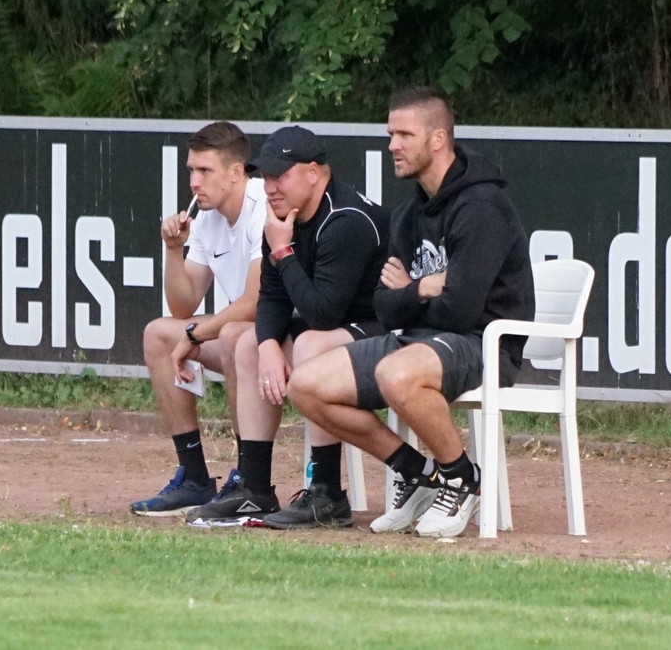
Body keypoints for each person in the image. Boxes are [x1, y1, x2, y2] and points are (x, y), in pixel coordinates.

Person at [288, 86, 535, 538]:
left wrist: (409, 293)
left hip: (482, 343)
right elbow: (383, 306)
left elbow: (462, 311)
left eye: (404, 135)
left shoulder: (482, 207)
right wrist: (423, 287)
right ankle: (418, 472)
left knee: (395, 373)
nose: (392, 145)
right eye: (390, 134)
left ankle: (462, 477)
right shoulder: (407, 214)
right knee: (305, 385)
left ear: (438, 140)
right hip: (416, 339)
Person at [184, 125, 389, 529]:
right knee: (246, 342)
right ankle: (255, 488)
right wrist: (267, 347)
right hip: (336, 328)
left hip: (386, 331)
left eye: (281, 176)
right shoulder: (280, 215)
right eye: (266, 177)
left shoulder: (345, 219)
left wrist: (281, 249)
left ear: (313, 173)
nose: (270, 187)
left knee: (311, 343)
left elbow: (323, 314)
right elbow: (273, 296)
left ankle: (327, 492)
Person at [130, 121, 265, 516]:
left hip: (283, 335)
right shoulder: (207, 215)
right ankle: (194, 478)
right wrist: (173, 250)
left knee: (237, 334)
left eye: (205, 171)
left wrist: (197, 333)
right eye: (191, 170)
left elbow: (255, 304)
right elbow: (182, 307)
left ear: (236, 172)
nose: (194, 182)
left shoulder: (262, 206)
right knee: (159, 334)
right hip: (243, 334)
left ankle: (248, 479)